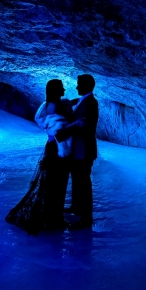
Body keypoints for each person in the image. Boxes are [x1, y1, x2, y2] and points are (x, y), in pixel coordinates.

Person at [5, 79, 73, 234]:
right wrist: (73, 128)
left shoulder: (52, 104)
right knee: (55, 182)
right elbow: (58, 130)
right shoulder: (54, 105)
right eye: (61, 87)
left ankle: (51, 217)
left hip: (53, 146)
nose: (64, 89)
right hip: (57, 147)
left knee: (51, 182)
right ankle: (51, 219)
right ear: (56, 90)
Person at [55, 74, 99, 230]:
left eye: (79, 84)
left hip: (84, 150)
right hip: (78, 149)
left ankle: (86, 218)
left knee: (84, 184)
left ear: (86, 85)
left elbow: (84, 125)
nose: (76, 87)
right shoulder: (84, 100)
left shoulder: (91, 102)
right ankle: (76, 207)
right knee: (77, 180)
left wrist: (62, 133)